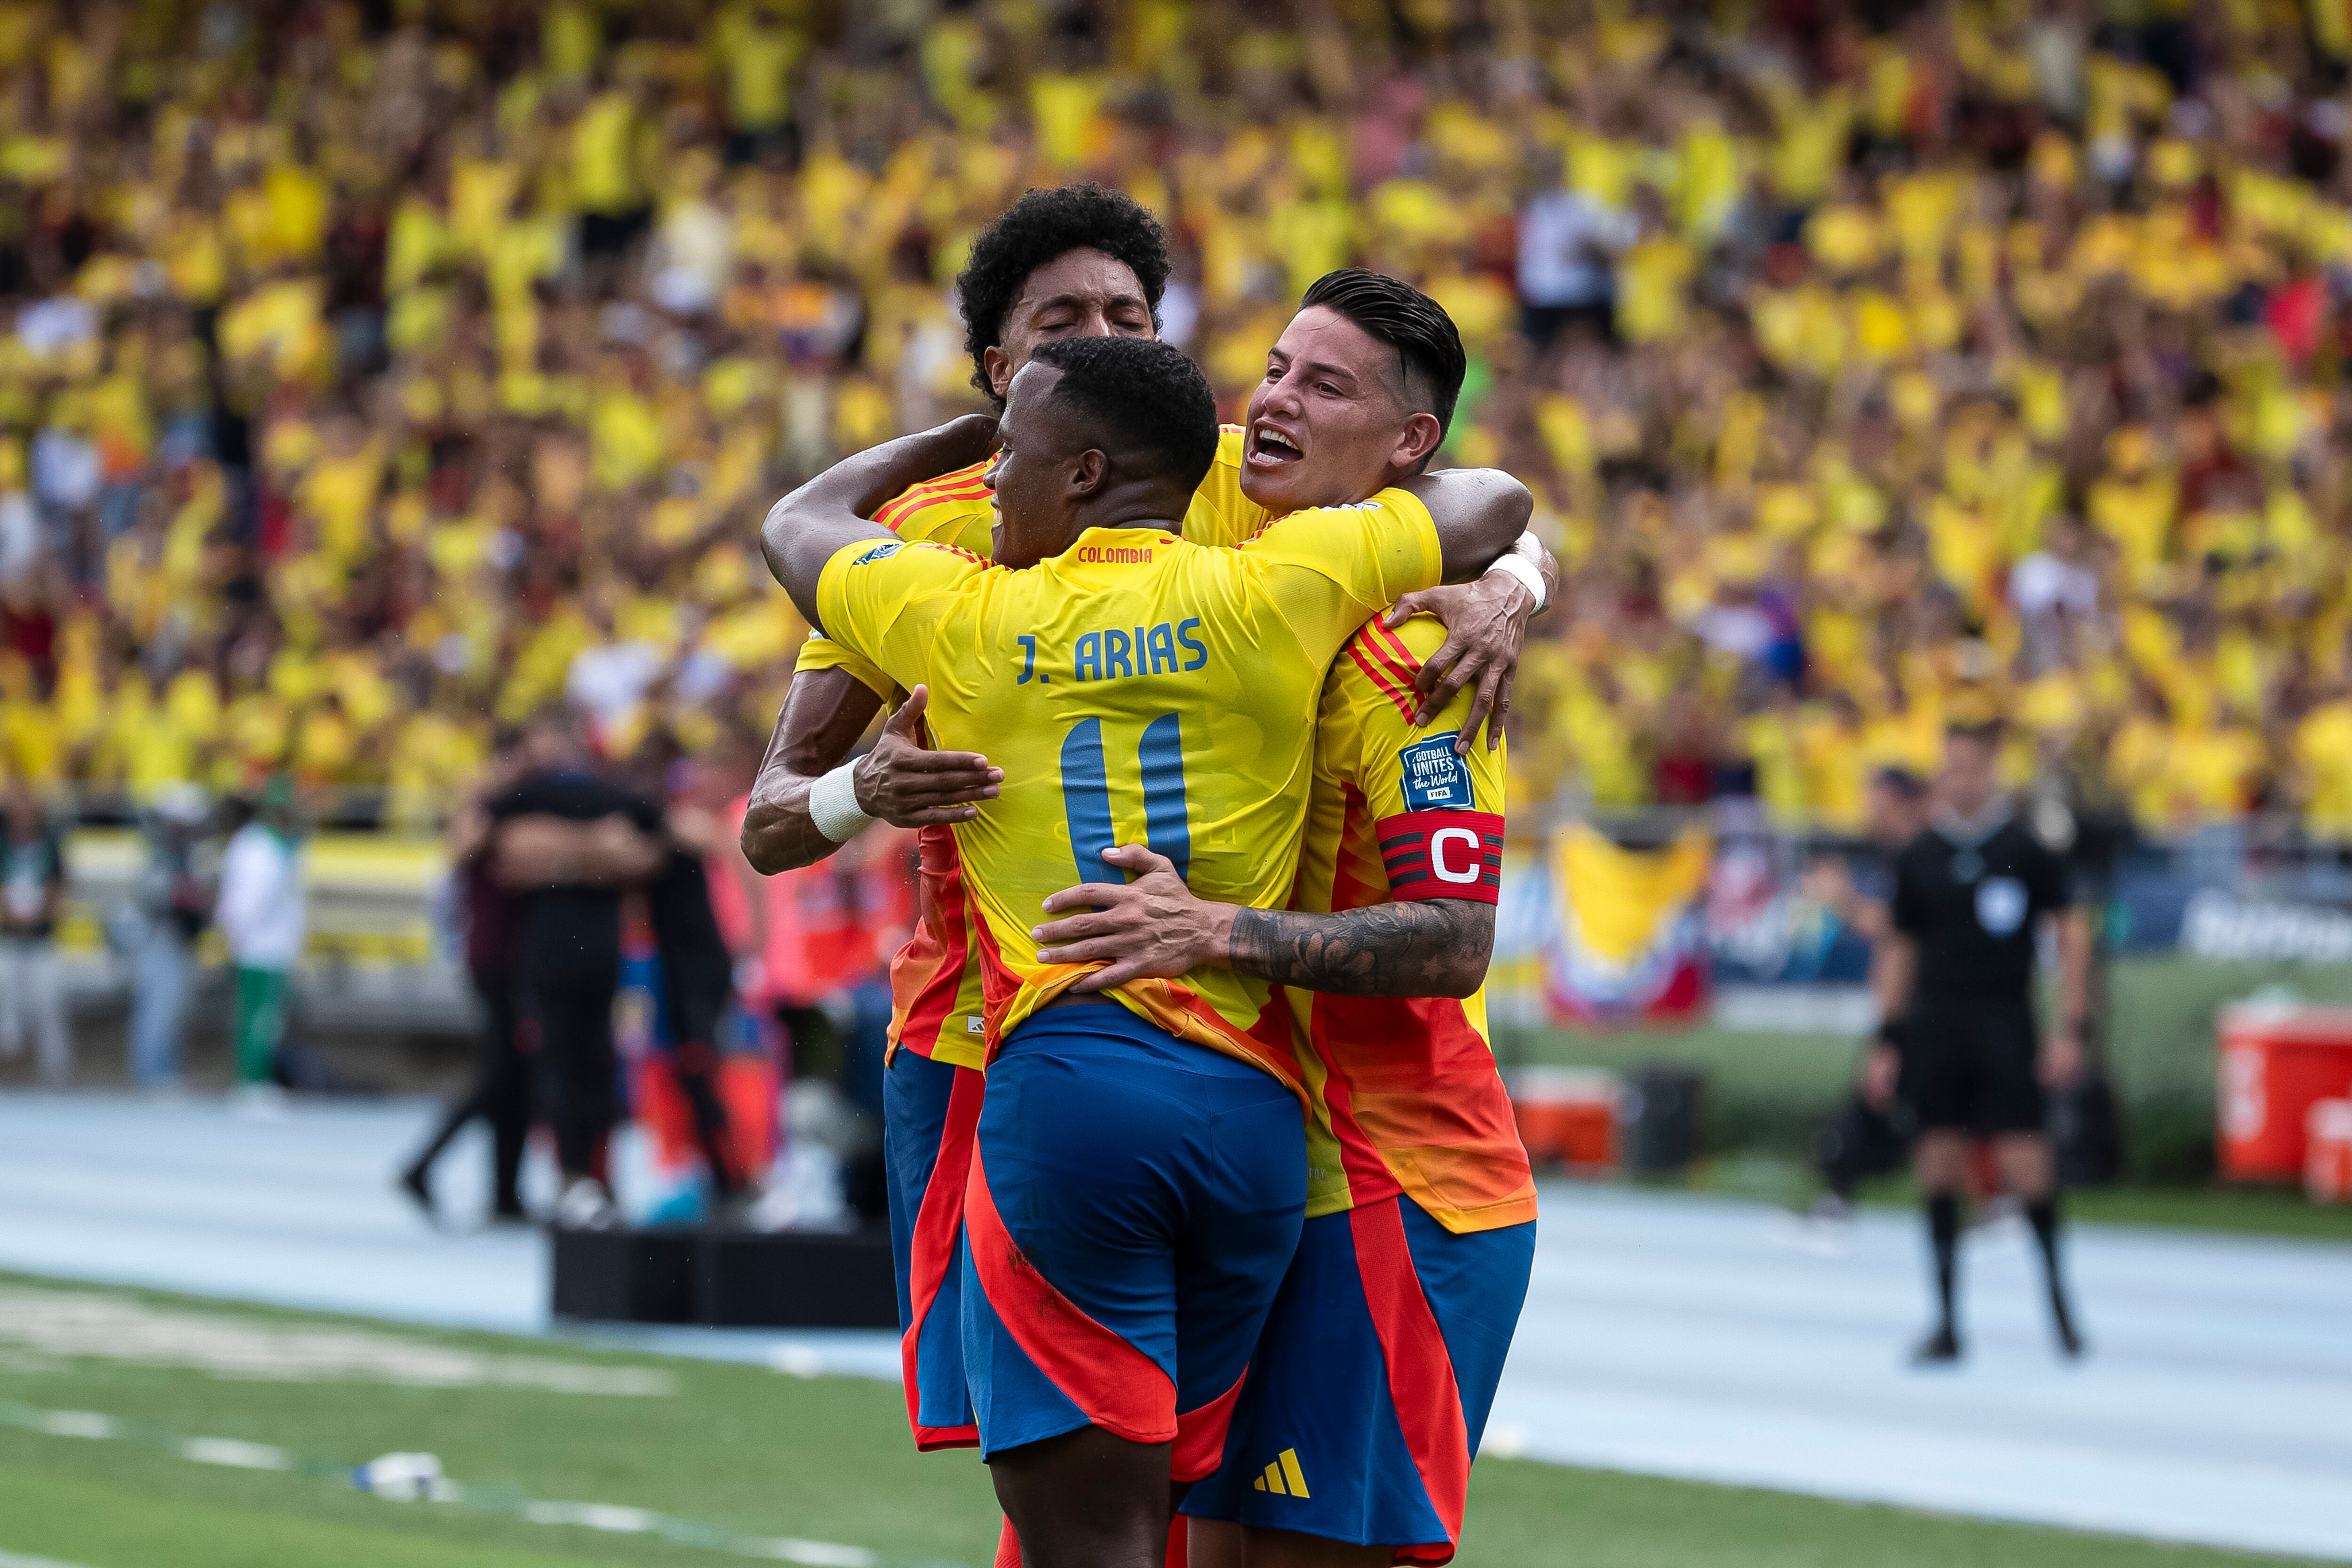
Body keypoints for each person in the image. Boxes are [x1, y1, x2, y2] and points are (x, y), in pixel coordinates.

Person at [739, 191, 1543, 1558]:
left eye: (1130, 315)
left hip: (1309, 1113)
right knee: (1115, 1522)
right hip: (1013, 1051)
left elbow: (1490, 503)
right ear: (1002, 371)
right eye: (1065, 321)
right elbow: (768, 822)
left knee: (1119, 1525)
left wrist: (1514, 581)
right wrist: (855, 791)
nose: (1108, 337)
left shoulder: (1249, 499)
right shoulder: (946, 528)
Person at [1023, 272, 1542, 1568]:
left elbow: (1454, 938)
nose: (1275, 402)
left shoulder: (1417, 660)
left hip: (1394, 1183)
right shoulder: (1231, 554)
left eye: (1325, 384)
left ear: (1410, 444)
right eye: (1272, 369)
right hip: (1257, 1168)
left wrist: (1217, 933)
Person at [1868, 722, 2092, 1364]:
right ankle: (1946, 1322)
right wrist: (1888, 1038)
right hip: (1936, 1026)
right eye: (1950, 767)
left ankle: (2060, 1310)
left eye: (1969, 767)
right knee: (1939, 1165)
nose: (1959, 779)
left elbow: (2070, 935)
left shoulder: (2024, 850)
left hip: (2005, 1023)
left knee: (2029, 1165)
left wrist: (2071, 1026)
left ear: (1991, 771)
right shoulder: (1918, 855)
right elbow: (1899, 949)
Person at [488, 711, 667, 1229]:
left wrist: (554, 858)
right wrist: (593, 852)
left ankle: (585, 1178)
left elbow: (644, 855)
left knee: (585, 1065)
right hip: (562, 950)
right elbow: (509, 856)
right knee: (568, 1066)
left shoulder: (546, 796)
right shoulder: (545, 796)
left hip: (579, 951)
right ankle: (576, 1178)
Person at [400, 735, 533, 1225]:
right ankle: (426, 1164)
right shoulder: (488, 808)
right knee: (503, 1073)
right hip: (496, 954)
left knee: (515, 1076)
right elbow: (459, 852)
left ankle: (505, 1192)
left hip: (511, 953)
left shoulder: (516, 807)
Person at [215, 777, 308, 1108]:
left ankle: (256, 1078)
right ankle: (250, 1082)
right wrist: (237, 933)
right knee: (258, 1019)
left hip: (273, 945)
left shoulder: (278, 845)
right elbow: (249, 898)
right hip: (258, 946)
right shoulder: (258, 847)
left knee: (266, 1019)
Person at [123, 784, 216, 1092]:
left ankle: (162, 1070)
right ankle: (153, 1073)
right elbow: (155, 898)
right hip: (158, 937)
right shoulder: (158, 854)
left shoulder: (183, 855)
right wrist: (190, 899)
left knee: (171, 1008)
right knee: (158, 1007)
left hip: (177, 938)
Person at [0, 777, 69, 1085]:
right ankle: (10, 1057)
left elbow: (61, 885)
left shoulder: (50, 843)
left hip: (41, 938)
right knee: (4, 987)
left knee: (49, 1001)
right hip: (7, 937)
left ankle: (55, 1071)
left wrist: (43, 914)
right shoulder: (4, 843)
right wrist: (9, 915)